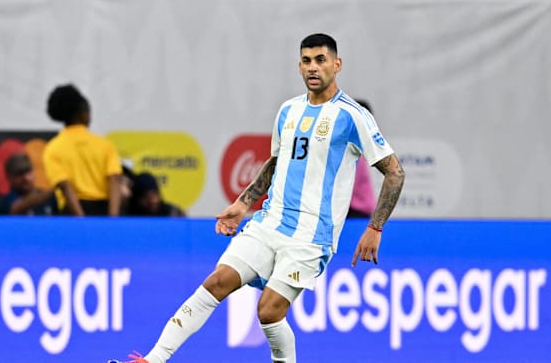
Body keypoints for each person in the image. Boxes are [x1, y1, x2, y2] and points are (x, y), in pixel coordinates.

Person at [121, 33, 405, 363]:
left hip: (311, 236)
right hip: (270, 222)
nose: (313, 67)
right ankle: (153, 360)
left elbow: (395, 172)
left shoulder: (352, 116)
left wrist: (375, 228)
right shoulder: (288, 111)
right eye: (306, 60)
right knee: (217, 282)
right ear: (299, 66)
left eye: (321, 60)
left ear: (337, 65)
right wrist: (243, 204)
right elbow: (275, 163)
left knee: (268, 311)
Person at [43, 84, 123, 216]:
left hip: (71, 212)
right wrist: (113, 217)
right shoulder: (104, 145)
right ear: (83, 114)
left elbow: (65, 186)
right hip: (103, 209)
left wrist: (81, 220)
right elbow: (114, 179)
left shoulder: (53, 148)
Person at [347, 98, 377, 219]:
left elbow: (347, 183)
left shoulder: (355, 148)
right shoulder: (358, 145)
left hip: (355, 210)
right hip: (356, 209)